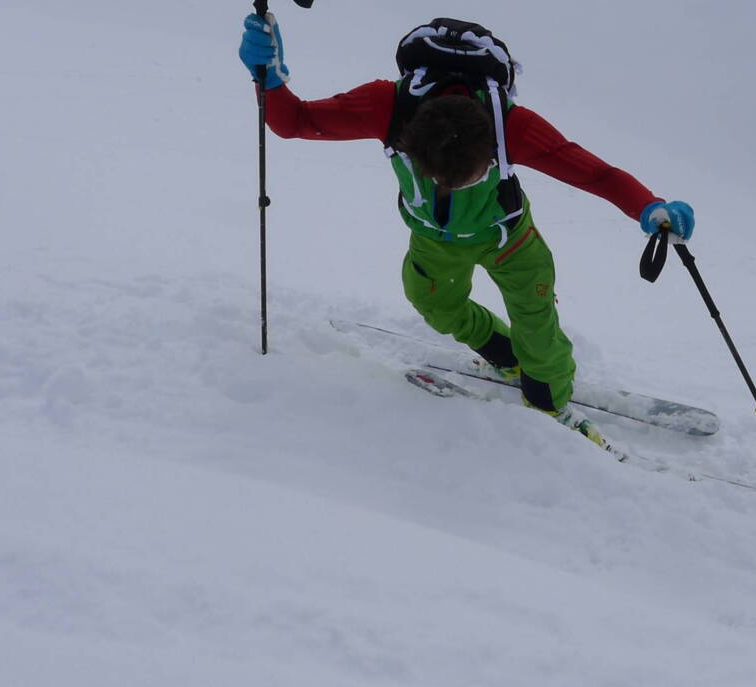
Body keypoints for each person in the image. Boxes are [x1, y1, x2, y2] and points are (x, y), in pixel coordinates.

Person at [238, 13, 695, 438]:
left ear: (492, 155)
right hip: (433, 240)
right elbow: (294, 121)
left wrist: (649, 207)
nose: (448, 186)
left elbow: (596, 174)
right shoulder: (387, 106)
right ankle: (507, 357)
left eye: (466, 178)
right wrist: (269, 77)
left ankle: (550, 408)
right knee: (432, 304)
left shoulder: (513, 127)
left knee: (538, 327)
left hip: (509, 239)